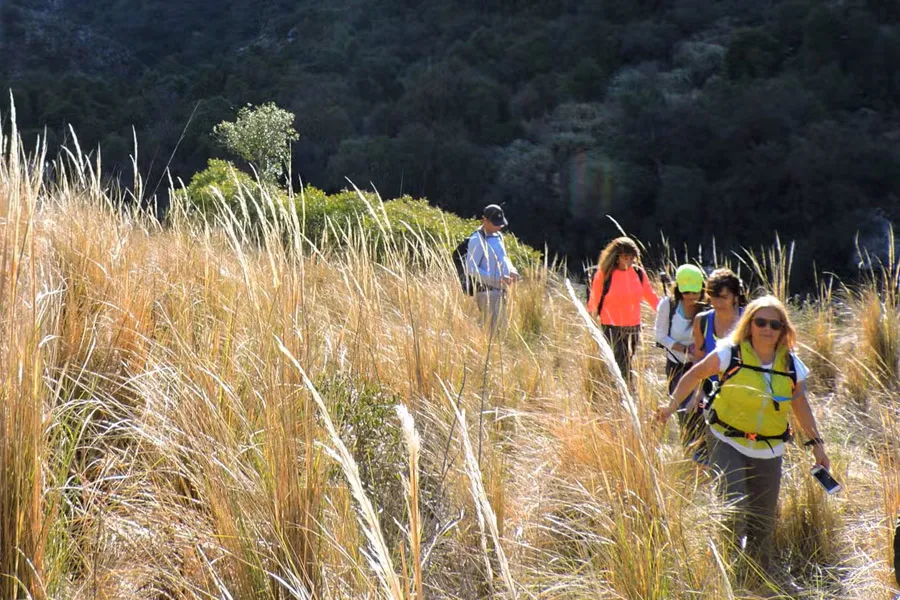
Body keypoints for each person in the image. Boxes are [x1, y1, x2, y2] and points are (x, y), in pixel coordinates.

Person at [657, 295, 830, 573]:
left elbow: (801, 405)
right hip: (726, 439)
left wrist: (817, 446)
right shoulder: (730, 353)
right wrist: (671, 405)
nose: (767, 329)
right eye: (760, 321)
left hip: (770, 448)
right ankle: (727, 572)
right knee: (733, 509)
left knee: (762, 520)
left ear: (783, 330)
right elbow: (694, 374)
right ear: (749, 324)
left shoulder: (791, 366)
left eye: (775, 324)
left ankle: (757, 576)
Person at [587, 237, 659, 383]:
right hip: (611, 327)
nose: (630, 261)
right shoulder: (604, 274)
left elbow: (650, 296)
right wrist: (590, 322)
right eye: (626, 257)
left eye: (632, 257)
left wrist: (666, 312)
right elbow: (594, 301)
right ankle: (626, 391)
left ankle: (621, 391)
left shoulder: (639, 273)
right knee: (621, 362)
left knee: (627, 360)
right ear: (616, 257)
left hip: (633, 327)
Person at [654, 264, 706, 448]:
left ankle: (700, 452)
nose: (691, 296)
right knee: (684, 412)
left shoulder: (708, 308)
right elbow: (659, 335)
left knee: (701, 411)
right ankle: (690, 451)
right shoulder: (668, 305)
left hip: (701, 367)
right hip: (677, 367)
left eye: (696, 292)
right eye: (687, 292)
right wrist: (683, 349)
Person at [465, 204, 519, 331]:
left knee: (500, 329)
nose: (499, 226)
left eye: (500, 223)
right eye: (495, 223)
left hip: (501, 291)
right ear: (484, 220)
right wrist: (497, 277)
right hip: (487, 292)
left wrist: (512, 270)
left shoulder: (498, 236)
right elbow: (471, 269)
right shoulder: (477, 240)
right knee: (492, 331)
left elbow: (504, 257)